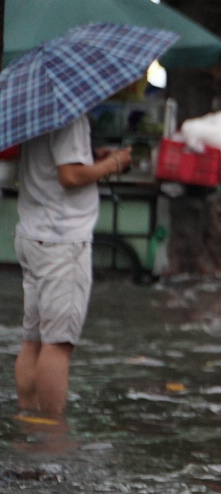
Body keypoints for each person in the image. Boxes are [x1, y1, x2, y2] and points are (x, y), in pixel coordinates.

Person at [12, 114, 132, 420]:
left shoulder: (35, 111)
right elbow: (70, 176)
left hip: (33, 233)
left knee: (34, 339)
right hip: (62, 241)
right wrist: (114, 163)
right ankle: (51, 436)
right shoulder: (70, 116)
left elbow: (58, 165)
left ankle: (29, 421)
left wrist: (92, 156)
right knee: (58, 344)